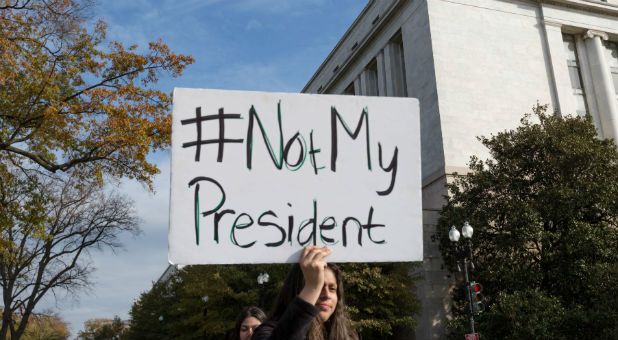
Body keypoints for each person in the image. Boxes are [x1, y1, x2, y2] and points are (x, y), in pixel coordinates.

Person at [252, 246, 358, 340]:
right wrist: (312, 287)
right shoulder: (266, 332)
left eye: (332, 288)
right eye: (318, 286)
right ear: (298, 289)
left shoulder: (347, 336)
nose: (326, 295)